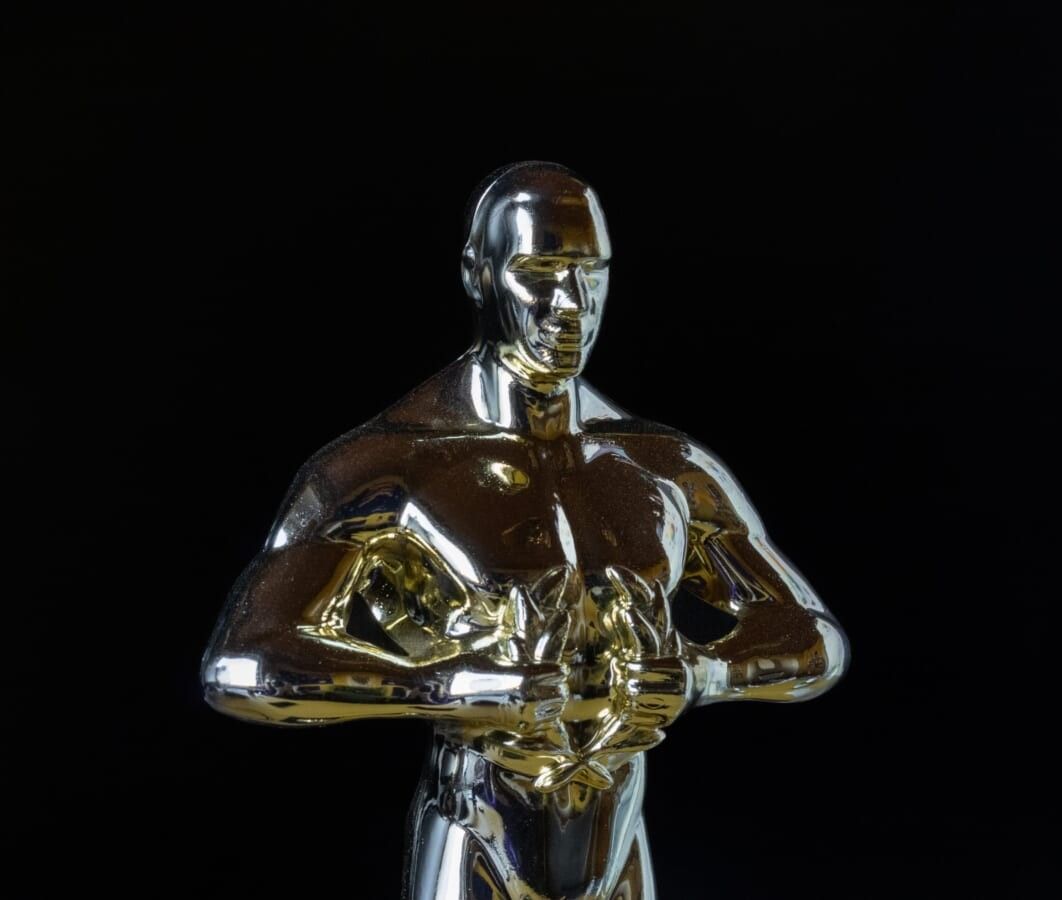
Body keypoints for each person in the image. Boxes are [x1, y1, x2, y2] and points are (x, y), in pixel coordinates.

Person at [199, 160, 850, 900]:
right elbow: (243, 665)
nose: (570, 303)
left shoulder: (663, 464)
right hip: (479, 839)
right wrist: (447, 688)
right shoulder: (390, 468)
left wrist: (706, 674)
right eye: (539, 271)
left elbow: (813, 637)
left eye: (589, 272)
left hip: (621, 848)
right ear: (480, 275)